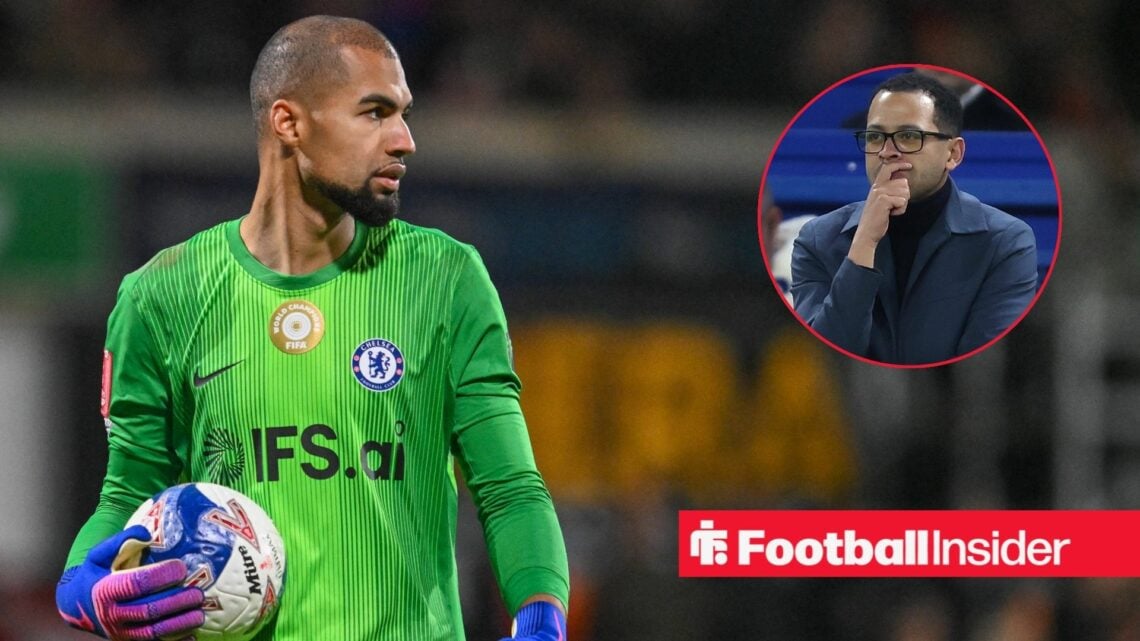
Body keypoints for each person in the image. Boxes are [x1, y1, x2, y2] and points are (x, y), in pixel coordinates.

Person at [55, 15, 569, 641]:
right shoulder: (161, 296)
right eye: (375, 113)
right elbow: (128, 493)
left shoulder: (446, 279)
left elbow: (510, 489)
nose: (404, 140)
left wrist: (541, 616)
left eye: (404, 114)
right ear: (289, 123)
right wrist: (80, 584)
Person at [790, 72, 1038, 364]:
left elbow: (979, 367)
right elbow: (828, 358)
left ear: (953, 154)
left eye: (909, 136)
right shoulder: (816, 240)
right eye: (875, 136)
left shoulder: (1006, 242)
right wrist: (864, 243)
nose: (887, 151)